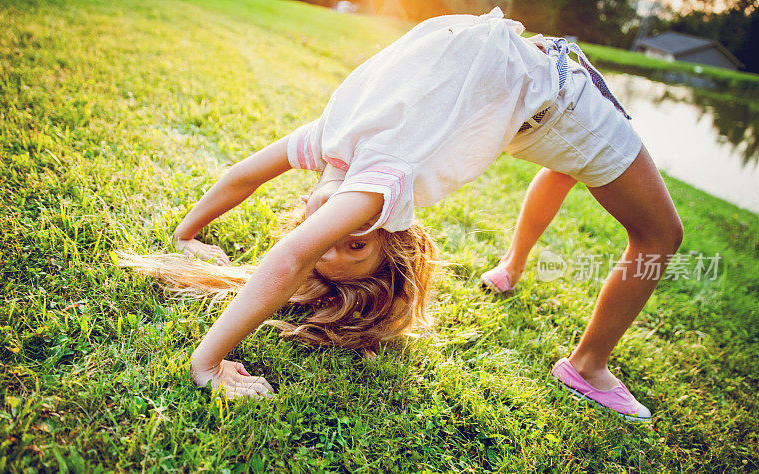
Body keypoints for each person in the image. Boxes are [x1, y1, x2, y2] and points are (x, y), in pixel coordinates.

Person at [121, 7, 682, 422]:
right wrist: (210, 362)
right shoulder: (379, 189)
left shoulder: (331, 143)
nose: (333, 239)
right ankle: (587, 366)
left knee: (567, 169)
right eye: (353, 248)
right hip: (561, 104)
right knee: (661, 235)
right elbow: (294, 256)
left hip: (533, 88)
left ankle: (510, 266)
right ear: (393, 233)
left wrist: (187, 235)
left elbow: (246, 178)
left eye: (328, 245)